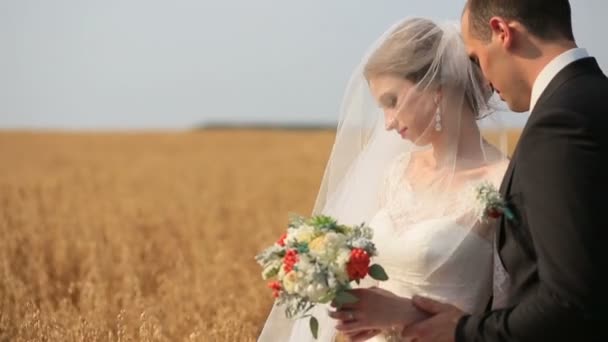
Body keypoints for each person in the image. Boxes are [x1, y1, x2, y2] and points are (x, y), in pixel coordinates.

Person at [258, 17, 510, 341]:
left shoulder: (503, 181)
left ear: (436, 88)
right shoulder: (396, 173)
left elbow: (512, 315)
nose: (388, 124)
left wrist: (405, 313)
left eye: (392, 102)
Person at [399, 1, 608, 341]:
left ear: (502, 32)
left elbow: (570, 300)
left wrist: (462, 331)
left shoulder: (558, 124)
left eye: (475, 58)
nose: (481, 78)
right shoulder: (595, 99)